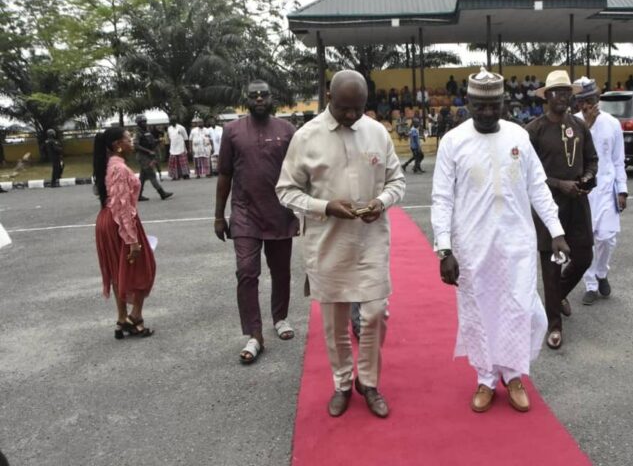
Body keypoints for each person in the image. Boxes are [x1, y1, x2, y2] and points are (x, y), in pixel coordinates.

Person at [432, 68, 570, 413]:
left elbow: (537, 186)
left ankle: (513, 376)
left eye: (494, 105)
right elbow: (441, 199)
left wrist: (556, 231)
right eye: (480, 106)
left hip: (516, 242)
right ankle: (484, 379)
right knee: (478, 312)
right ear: (469, 103)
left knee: (517, 308)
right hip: (472, 245)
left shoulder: (519, 136)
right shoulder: (453, 141)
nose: (488, 112)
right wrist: (444, 248)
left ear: (504, 103)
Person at [276, 70, 405, 419]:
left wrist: (381, 202)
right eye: (345, 108)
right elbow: (286, 190)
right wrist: (325, 207)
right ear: (329, 97)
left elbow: (397, 180)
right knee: (334, 323)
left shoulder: (377, 132)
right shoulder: (306, 137)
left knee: (376, 313)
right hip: (327, 243)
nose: (351, 116)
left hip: (371, 240)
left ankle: (370, 382)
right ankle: (343, 384)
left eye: (358, 109)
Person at [214, 81, 300, 364]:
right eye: (254, 95)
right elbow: (225, 174)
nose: (260, 98)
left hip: (279, 212)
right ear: (246, 100)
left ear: (272, 97)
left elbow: (300, 172)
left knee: (281, 272)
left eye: (264, 94)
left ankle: (280, 317)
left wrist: (304, 210)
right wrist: (218, 215)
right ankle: (255, 333)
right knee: (247, 272)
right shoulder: (232, 131)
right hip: (244, 213)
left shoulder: (287, 131)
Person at [526, 70, 598, 349]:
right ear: (546, 96)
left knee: (583, 257)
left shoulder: (579, 127)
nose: (562, 97)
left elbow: (592, 160)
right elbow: (528, 175)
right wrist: (560, 184)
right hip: (548, 206)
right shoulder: (534, 130)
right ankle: (553, 325)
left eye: (567, 92)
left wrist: (587, 178)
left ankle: (557, 297)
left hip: (578, 202)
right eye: (556, 92)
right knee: (551, 266)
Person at [93, 126, 155, 339]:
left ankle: (122, 319)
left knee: (119, 270)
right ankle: (134, 317)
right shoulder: (118, 168)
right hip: (119, 222)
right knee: (142, 268)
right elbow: (122, 205)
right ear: (118, 145)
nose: (132, 140)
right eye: (128, 138)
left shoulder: (109, 165)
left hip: (106, 220)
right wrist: (132, 240)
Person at [573, 78, 627, 305]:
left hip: (606, 188)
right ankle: (591, 284)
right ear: (577, 103)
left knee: (607, 237)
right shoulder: (572, 124)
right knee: (586, 241)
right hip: (583, 190)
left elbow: (618, 160)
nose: (588, 105)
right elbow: (575, 155)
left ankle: (602, 272)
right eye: (583, 101)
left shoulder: (612, 123)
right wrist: (587, 124)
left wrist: (622, 190)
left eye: (592, 100)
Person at [134, 115, 172, 202]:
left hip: (148, 156)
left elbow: (150, 141)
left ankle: (138, 195)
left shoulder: (146, 132)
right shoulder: (138, 133)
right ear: (139, 123)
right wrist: (148, 151)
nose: (145, 123)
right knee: (152, 175)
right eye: (143, 122)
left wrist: (157, 141)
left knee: (142, 178)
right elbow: (136, 145)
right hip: (143, 157)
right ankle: (162, 193)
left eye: (145, 122)